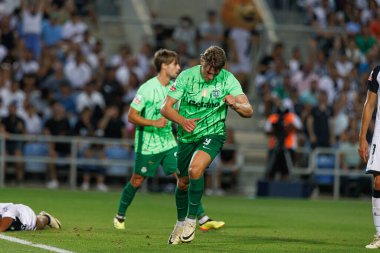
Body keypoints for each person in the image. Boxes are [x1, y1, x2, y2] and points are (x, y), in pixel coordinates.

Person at [113, 49, 225, 237]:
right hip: (148, 144)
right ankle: (120, 216)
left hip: (168, 142)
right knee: (137, 180)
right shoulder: (147, 89)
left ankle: (202, 218)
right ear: (164, 66)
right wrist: (154, 122)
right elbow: (131, 116)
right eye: (175, 64)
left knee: (183, 177)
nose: (179, 68)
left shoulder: (177, 86)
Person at [161, 45, 253, 243]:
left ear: (222, 68)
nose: (211, 76)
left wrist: (236, 104)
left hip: (213, 134)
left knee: (196, 170)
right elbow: (165, 108)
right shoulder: (186, 77)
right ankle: (179, 223)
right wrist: (182, 121)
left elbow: (248, 110)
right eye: (208, 71)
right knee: (183, 181)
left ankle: (191, 221)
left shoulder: (228, 80)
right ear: (202, 63)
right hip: (187, 135)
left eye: (215, 72)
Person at [359, 65, 380, 249]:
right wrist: (362, 137)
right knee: (378, 182)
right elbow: (369, 104)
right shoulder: (378, 72)